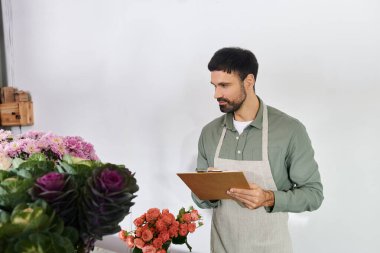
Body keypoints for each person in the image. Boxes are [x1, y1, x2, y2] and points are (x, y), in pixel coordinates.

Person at [191, 47, 324, 253]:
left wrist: (268, 198)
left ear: (249, 81)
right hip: (221, 248)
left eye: (224, 85)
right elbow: (200, 199)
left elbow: (313, 195)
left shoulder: (289, 130)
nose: (216, 94)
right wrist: (209, 190)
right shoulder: (210, 133)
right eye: (214, 86)